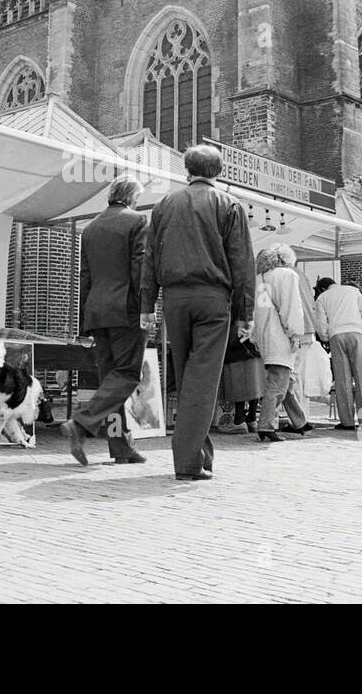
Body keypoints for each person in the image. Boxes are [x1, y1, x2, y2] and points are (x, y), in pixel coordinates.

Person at [141, 145, 255, 481]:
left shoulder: (164, 204)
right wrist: (245, 312)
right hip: (212, 300)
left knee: (188, 376)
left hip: (174, 300)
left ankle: (201, 456)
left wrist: (148, 305)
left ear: (186, 170)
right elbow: (242, 264)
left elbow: (150, 259)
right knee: (202, 381)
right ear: (218, 172)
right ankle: (188, 462)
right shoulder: (229, 205)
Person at [60, 178, 149, 467]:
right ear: (133, 197)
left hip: (97, 311)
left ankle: (122, 447)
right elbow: (140, 270)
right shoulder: (137, 221)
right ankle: (82, 422)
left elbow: (84, 276)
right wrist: (147, 307)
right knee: (126, 375)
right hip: (126, 310)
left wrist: (84, 318)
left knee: (111, 382)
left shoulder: (92, 228)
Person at [252, 244, 312, 443]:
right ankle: (266, 425)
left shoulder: (260, 278)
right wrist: (296, 333)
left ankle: (300, 421)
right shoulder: (287, 275)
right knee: (278, 383)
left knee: (284, 382)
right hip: (280, 335)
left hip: (264, 335)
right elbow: (291, 306)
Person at [315, 279, 362, 430]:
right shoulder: (353, 291)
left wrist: (326, 337)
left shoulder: (322, 297)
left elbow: (320, 324)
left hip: (336, 335)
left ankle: (347, 422)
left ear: (322, 288)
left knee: (342, 379)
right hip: (356, 333)